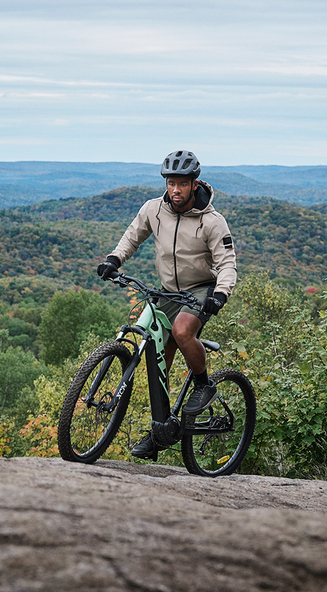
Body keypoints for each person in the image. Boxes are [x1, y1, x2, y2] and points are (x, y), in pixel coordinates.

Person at [96, 150, 237, 460]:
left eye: (182, 184)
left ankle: (204, 385)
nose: (176, 190)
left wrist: (220, 293)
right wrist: (114, 259)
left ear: (194, 184)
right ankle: (161, 430)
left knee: (183, 331)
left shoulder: (212, 221)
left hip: (201, 289)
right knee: (153, 353)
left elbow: (227, 263)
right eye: (171, 183)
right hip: (167, 291)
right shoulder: (154, 210)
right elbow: (132, 237)